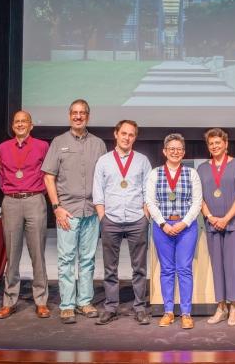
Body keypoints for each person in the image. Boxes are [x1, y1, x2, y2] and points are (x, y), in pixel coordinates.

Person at [42, 99, 107, 324]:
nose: (78, 117)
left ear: (88, 116)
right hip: (67, 212)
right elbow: (49, 177)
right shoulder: (58, 142)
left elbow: (104, 178)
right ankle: (67, 305)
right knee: (67, 258)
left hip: (91, 211)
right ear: (70, 116)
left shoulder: (98, 144)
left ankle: (85, 302)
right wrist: (56, 208)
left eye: (82, 113)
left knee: (88, 259)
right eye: (74, 113)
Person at [93, 120, 152, 326]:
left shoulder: (142, 160)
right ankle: (110, 307)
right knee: (110, 268)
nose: (127, 138)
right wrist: (103, 217)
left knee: (140, 268)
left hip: (137, 220)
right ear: (116, 134)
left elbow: (148, 191)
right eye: (124, 133)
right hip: (111, 219)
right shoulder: (104, 161)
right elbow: (98, 191)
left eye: (131, 135)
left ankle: (140, 307)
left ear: (135, 137)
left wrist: (145, 217)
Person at [0, 111, 51, 319]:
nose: (20, 124)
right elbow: (1, 176)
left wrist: (34, 192)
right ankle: (9, 300)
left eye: (24, 121)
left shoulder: (42, 146)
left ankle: (41, 300)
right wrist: (12, 191)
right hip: (11, 201)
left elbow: (48, 173)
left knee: (37, 252)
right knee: (12, 254)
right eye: (17, 121)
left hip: (34, 199)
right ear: (13, 125)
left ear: (31, 125)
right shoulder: (2, 147)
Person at [145, 133, 202, 329]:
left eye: (179, 149)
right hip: (162, 228)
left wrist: (183, 223)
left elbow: (197, 203)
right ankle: (168, 311)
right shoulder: (155, 173)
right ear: (164, 151)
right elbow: (150, 203)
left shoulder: (192, 174)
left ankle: (186, 313)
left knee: (184, 270)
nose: (175, 152)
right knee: (167, 270)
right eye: (172, 149)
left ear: (184, 152)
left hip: (186, 227)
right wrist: (163, 224)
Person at [197, 128, 235, 326]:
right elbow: (199, 197)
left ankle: (234, 308)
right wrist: (210, 216)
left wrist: (226, 218)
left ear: (226, 144)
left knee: (234, 267)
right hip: (212, 224)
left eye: (218, 142)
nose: (214, 146)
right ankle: (221, 308)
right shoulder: (202, 168)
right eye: (211, 143)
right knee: (217, 267)